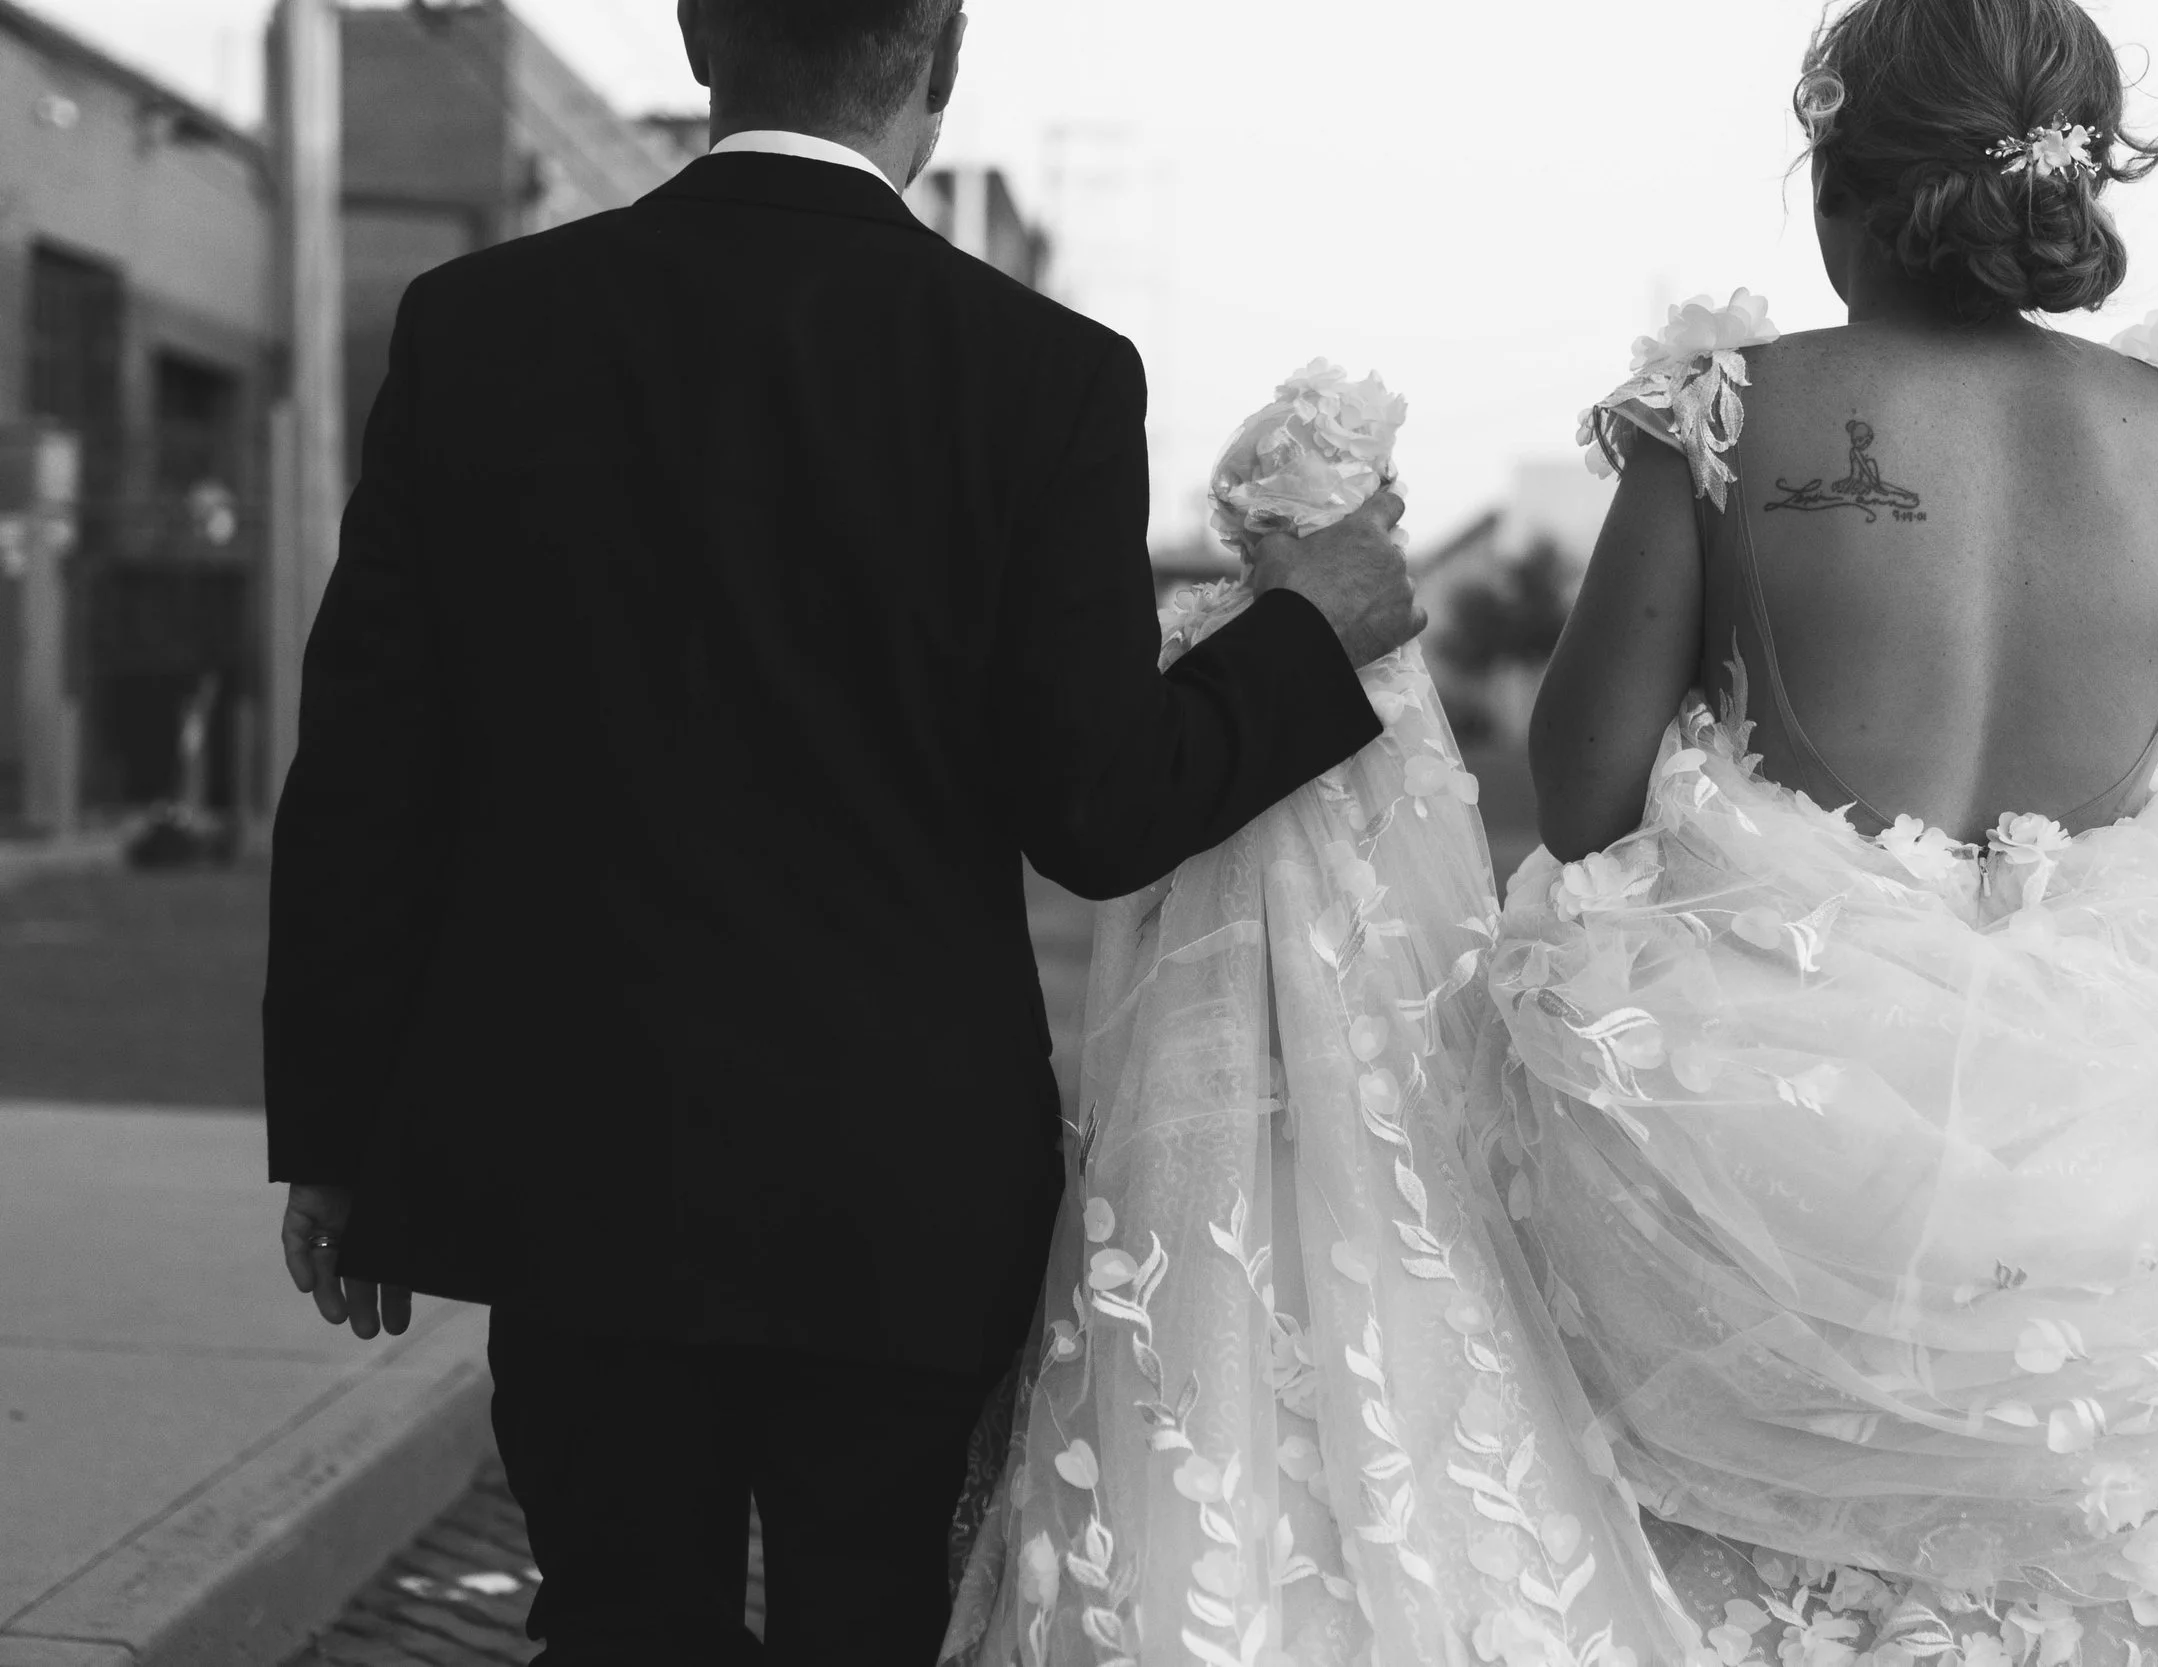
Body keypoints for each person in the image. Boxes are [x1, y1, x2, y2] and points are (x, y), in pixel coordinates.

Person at [949, 1, 2158, 1663]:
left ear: (1842, 183)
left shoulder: (1734, 410)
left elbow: (1583, 790)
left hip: (1758, 1147)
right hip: (2102, 1182)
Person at [261, 1, 1420, 1660]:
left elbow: (375, 761)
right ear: (941, 64)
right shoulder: (1048, 379)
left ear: (693, 35)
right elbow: (1100, 808)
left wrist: (339, 1127)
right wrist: (1307, 631)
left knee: (615, 1619)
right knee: (872, 1623)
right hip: (901, 1189)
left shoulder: (483, 327)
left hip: (582, 1164)